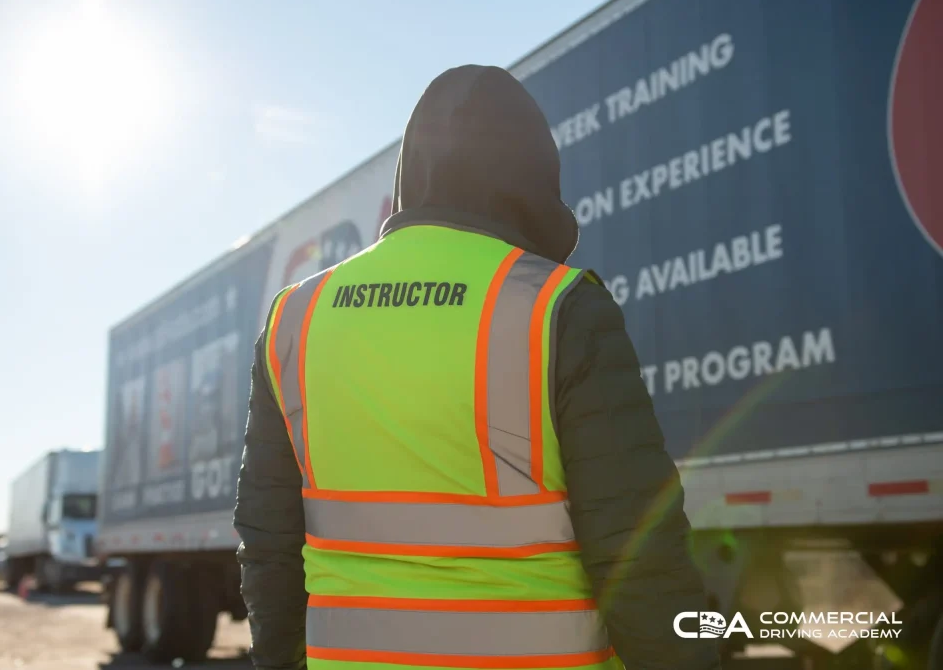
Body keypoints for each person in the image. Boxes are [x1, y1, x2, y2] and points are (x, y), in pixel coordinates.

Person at [234, 64, 721, 670]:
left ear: (411, 171)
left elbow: (268, 545)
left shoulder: (294, 320)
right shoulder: (558, 308)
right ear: (533, 176)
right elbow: (641, 554)